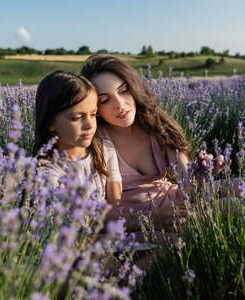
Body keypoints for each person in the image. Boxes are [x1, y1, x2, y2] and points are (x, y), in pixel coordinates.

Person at [80, 55, 226, 234]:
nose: (119, 104)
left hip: (175, 203)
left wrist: (200, 178)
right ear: (95, 108)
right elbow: (87, 217)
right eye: (105, 100)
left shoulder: (156, 125)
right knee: (230, 207)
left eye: (124, 90)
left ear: (134, 88)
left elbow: (188, 188)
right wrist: (149, 220)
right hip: (136, 224)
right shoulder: (94, 142)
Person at [34, 70, 122, 207]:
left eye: (93, 114)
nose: (89, 125)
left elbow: (115, 206)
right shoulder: (47, 171)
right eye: (77, 118)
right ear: (50, 123)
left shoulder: (106, 151)